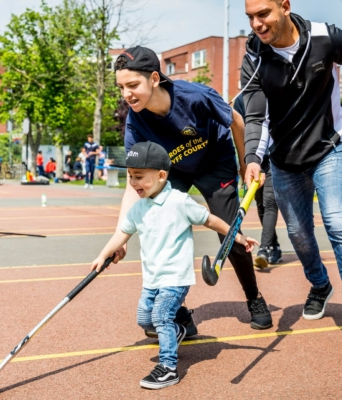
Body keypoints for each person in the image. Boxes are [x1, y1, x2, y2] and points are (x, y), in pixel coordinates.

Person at [112, 45, 273, 334]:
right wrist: (120, 236)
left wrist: (244, 162)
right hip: (173, 170)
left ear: (154, 78)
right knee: (159, 226)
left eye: (132, 85)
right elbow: (132, 184)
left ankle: (253, 297)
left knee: (229, 230)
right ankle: (179, 312)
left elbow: (236, 120)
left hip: (215, 161)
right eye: (121, 87)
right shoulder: (135, 121)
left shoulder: (195, 96)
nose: (127, 94)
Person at [91, 142, 258, 390]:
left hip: (175, 277)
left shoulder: (180, 202)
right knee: (145, 320)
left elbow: (211, 220)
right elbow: (122, 235)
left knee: (160, 316)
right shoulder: (138, 209)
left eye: (139, 177)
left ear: (161, 175)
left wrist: (238, 236)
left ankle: (168, 367)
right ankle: (178, 328)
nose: (133, 182)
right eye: (130, 177)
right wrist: (103, 254)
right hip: (152, 278)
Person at [242, 0, 342, 320]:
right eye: (251, 17)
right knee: (298, 234)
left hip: (329, 147)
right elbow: (256, 117)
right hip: (284, 159)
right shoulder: (255, 57)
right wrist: (252, 159)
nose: (257, 24)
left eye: (263, 14)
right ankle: (319, 285)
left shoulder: (326, 37)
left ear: (284, 6)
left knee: (338, 223)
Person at [234, 94, 282, 268]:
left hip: (275, 157)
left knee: (270, 201)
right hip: (255, 158)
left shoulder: (276, 91)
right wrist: (245, 162)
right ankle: (274, 245)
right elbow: (240, 131)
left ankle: (264, 248)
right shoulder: (242, 100)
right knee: (261, 203)